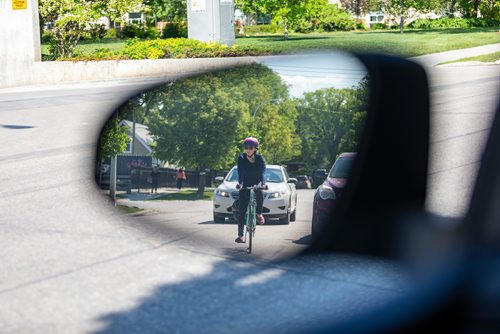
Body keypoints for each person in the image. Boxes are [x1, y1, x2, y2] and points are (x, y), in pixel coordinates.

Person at [234, 137, 267, 244]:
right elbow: (241, 172)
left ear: (255, 148)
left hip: (257, 182)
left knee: (259, 193)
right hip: (245, 184)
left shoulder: (260, 158)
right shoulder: (241, 158)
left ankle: (259, 214)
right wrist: (240, 184)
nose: (248, 149)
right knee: (242, 211)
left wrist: (263, 184)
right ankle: (240, 236)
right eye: (246, 147)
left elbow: (262, 173)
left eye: (251, 147)